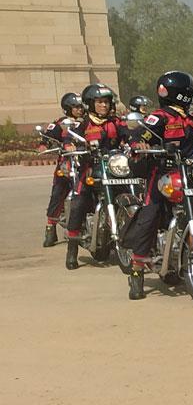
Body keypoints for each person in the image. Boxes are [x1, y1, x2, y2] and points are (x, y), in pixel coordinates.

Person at [121, 71, 193, 300]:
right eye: (188, 89)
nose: (191, 92)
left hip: (188, 172)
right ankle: (137, 270)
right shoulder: (160, 116)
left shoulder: (189, 118)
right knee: (151, 213)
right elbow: (141, 135)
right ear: (180, 92)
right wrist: (138, 145)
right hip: (161, 173)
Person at [63, 83, 123, 269]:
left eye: (106, 102)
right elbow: (69, 138)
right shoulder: (83, 124)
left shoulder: (115, 122)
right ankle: (72, 249)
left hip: (114, 169)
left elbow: (131, 134)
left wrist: (138, 142)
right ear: (90, 104)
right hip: (90, 169)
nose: (104, 106)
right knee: (79, 202)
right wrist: (71, 146)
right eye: (99, 102)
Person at [41, 92, 86, 247]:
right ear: (68, 108)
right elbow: (48, 137)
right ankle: (50, 228)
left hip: (86, 161)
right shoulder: (61, 123)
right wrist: (45, 145)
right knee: (58, 192)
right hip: (68, 162)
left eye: (81, 106)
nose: (80, 110)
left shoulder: (88, 122)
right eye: (76, 107)